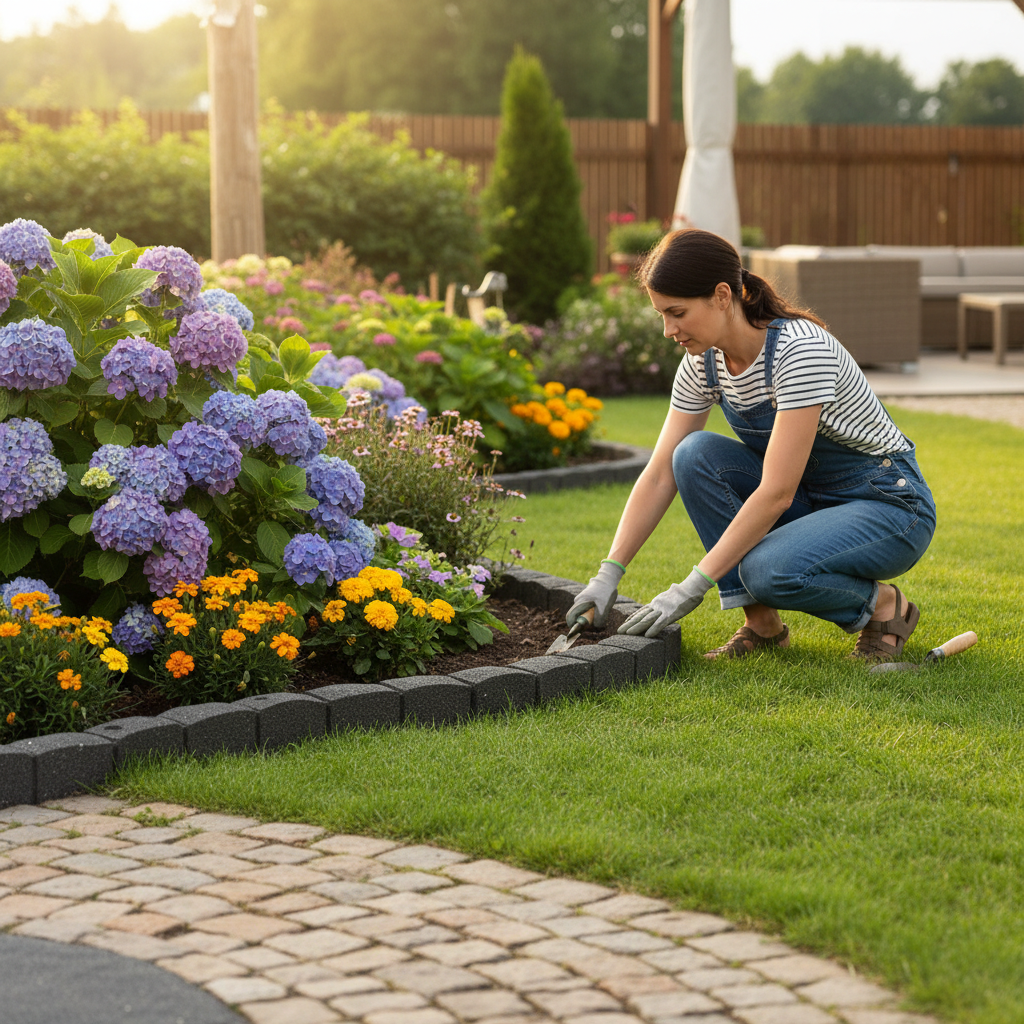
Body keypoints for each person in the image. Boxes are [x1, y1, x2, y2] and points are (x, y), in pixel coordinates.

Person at [567, 229, 936, 662]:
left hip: (886, 505)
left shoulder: (800, 352)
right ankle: (762, 626)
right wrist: (609, 573)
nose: (669, 330)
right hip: (812, 499)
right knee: (692, 454)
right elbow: (661, 472)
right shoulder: (702, 364)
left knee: (768, 570)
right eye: (661, 315)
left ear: (723, 295)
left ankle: (886, 607)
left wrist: (692, 586)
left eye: (677, 312)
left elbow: (776, 492)